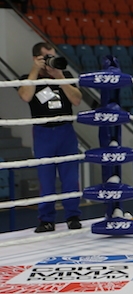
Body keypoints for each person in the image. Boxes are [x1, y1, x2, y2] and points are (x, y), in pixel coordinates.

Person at [18, 42, 82, 233]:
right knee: (45, 179)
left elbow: (77, 99)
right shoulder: (28, 78)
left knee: (70, 177)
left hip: (65, 131)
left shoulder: (65, 76)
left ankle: (73, 216)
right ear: (36, 58)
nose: (50, 61)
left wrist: (59, 77)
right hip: (43, 133)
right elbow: (25, 96)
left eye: (52, 57)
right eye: (46, 58)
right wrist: (35, 70)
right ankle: (46, 219)